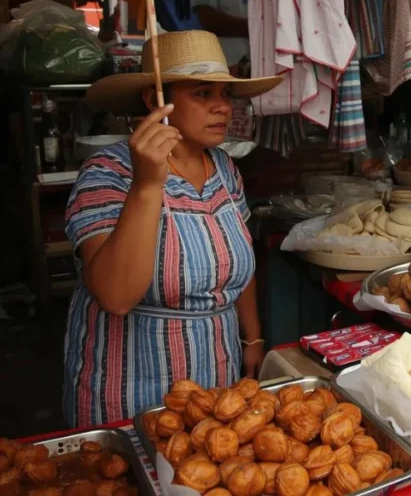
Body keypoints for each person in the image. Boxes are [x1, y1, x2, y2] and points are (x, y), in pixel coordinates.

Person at [64, 31, 282, 425]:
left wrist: (252, 337)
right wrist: (147, 185)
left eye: (225, 94)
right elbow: (116, 295)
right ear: (154, 100)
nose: (222, 108)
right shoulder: (107, 172)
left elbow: (239, 259)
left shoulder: (225, 168)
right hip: (131, 390)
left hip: (218, 376)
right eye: (202, 94)